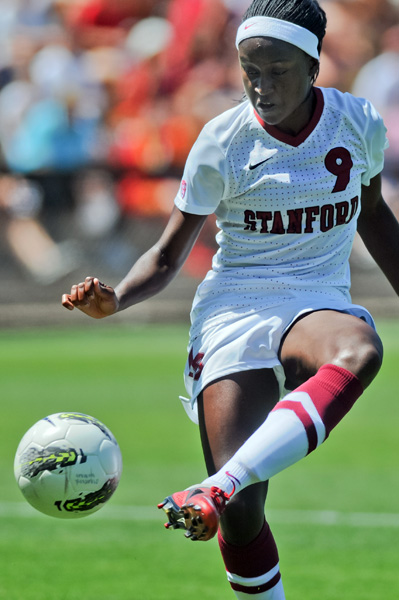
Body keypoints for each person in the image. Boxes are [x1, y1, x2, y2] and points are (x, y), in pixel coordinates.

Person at [62, 1, 398, 597]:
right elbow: (167, 256)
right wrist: (116, 302)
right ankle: (228, 493)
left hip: (315, 295)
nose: (262, 87)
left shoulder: (358, 122)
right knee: (243, 518)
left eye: (278, 71)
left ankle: (218, 485)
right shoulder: (223, 140)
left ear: (314, 65)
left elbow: (375, 218)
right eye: (250, 71)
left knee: (358, 349)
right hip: (234, 307)